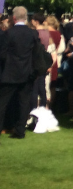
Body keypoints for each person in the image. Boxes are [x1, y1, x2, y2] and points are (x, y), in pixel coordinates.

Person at [0, 7, 40, 140]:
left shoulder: (9, 33)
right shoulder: (32, 34)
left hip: (9, 73)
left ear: (14, 18)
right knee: (24, 103)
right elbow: (36, 54)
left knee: (2, 103)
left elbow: (2, 54)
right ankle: (20, 130)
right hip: (27, 72)